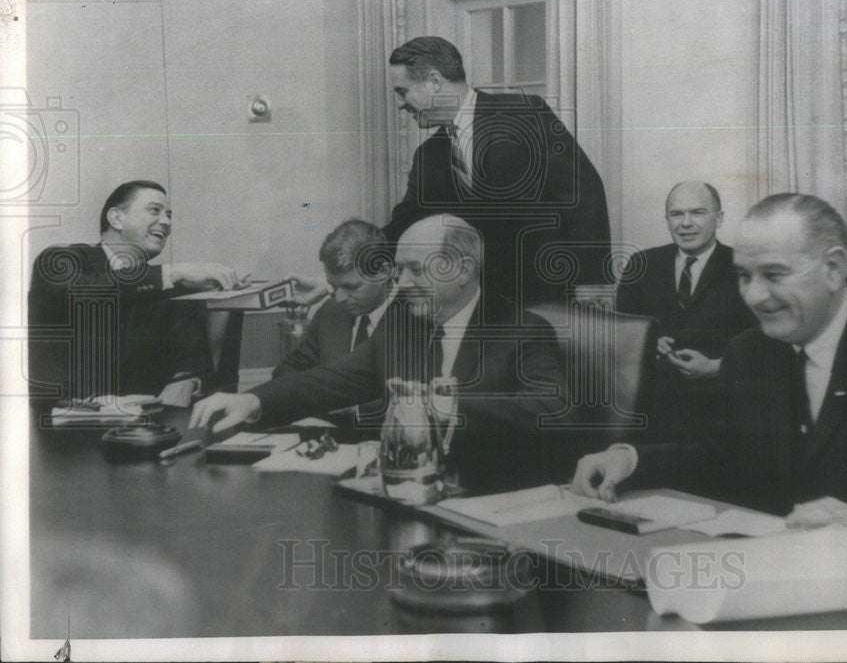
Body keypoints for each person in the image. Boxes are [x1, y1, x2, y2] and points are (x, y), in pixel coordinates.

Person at [573, 193, 847, 527]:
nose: (754, 296)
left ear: (833, 269)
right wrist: (630, 459)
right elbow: (718, 455)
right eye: (743, 276)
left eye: (773, 275)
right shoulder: (749, 352)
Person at [192, 214, 573, 491]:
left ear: (463, 269)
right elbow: (329, 382)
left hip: (490, 498)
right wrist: (251, 401)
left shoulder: (522, 329)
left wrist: (448, 406)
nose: (402, 283)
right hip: (410, 493)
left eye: (415, 270)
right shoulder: (403, 326)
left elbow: (553, 408)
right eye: (400, 270)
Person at [383, 36, 611, 315]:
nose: (399, 104)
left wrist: (591, 279)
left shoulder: (524, 115)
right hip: (479, 305)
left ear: (434, 81)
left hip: (547, 297)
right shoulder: (428, 155)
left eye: (402, 91)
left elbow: (583, 191)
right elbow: (404, 223)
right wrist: (352, 261)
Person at [28, 180, 241, 407]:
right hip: (63, 426)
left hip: (143, 428)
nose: (166, 222)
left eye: (169, 215)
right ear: (117, 218)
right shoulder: (60, 260)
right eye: (155, 210)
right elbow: (83, 292)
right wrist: (171, 272)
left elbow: (196, 364)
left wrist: (188, 381)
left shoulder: (170, 287)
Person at [615, 181, 756, 442]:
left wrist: (718, 368)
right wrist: (646, 342)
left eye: (698, 213)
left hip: (722, 414)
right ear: (667, 220)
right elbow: (618, 332)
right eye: (677, 214)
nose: (686, 223)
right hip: (649, 412)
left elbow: (768, 345)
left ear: (719, 218)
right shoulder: (641, 264)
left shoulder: (745, 267)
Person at [272, 220, 393, 377]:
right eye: (333, 286)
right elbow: (290, 371)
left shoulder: (413, 318)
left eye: (351, 287)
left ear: (383, 272)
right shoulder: (329, 312)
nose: (340, 298)